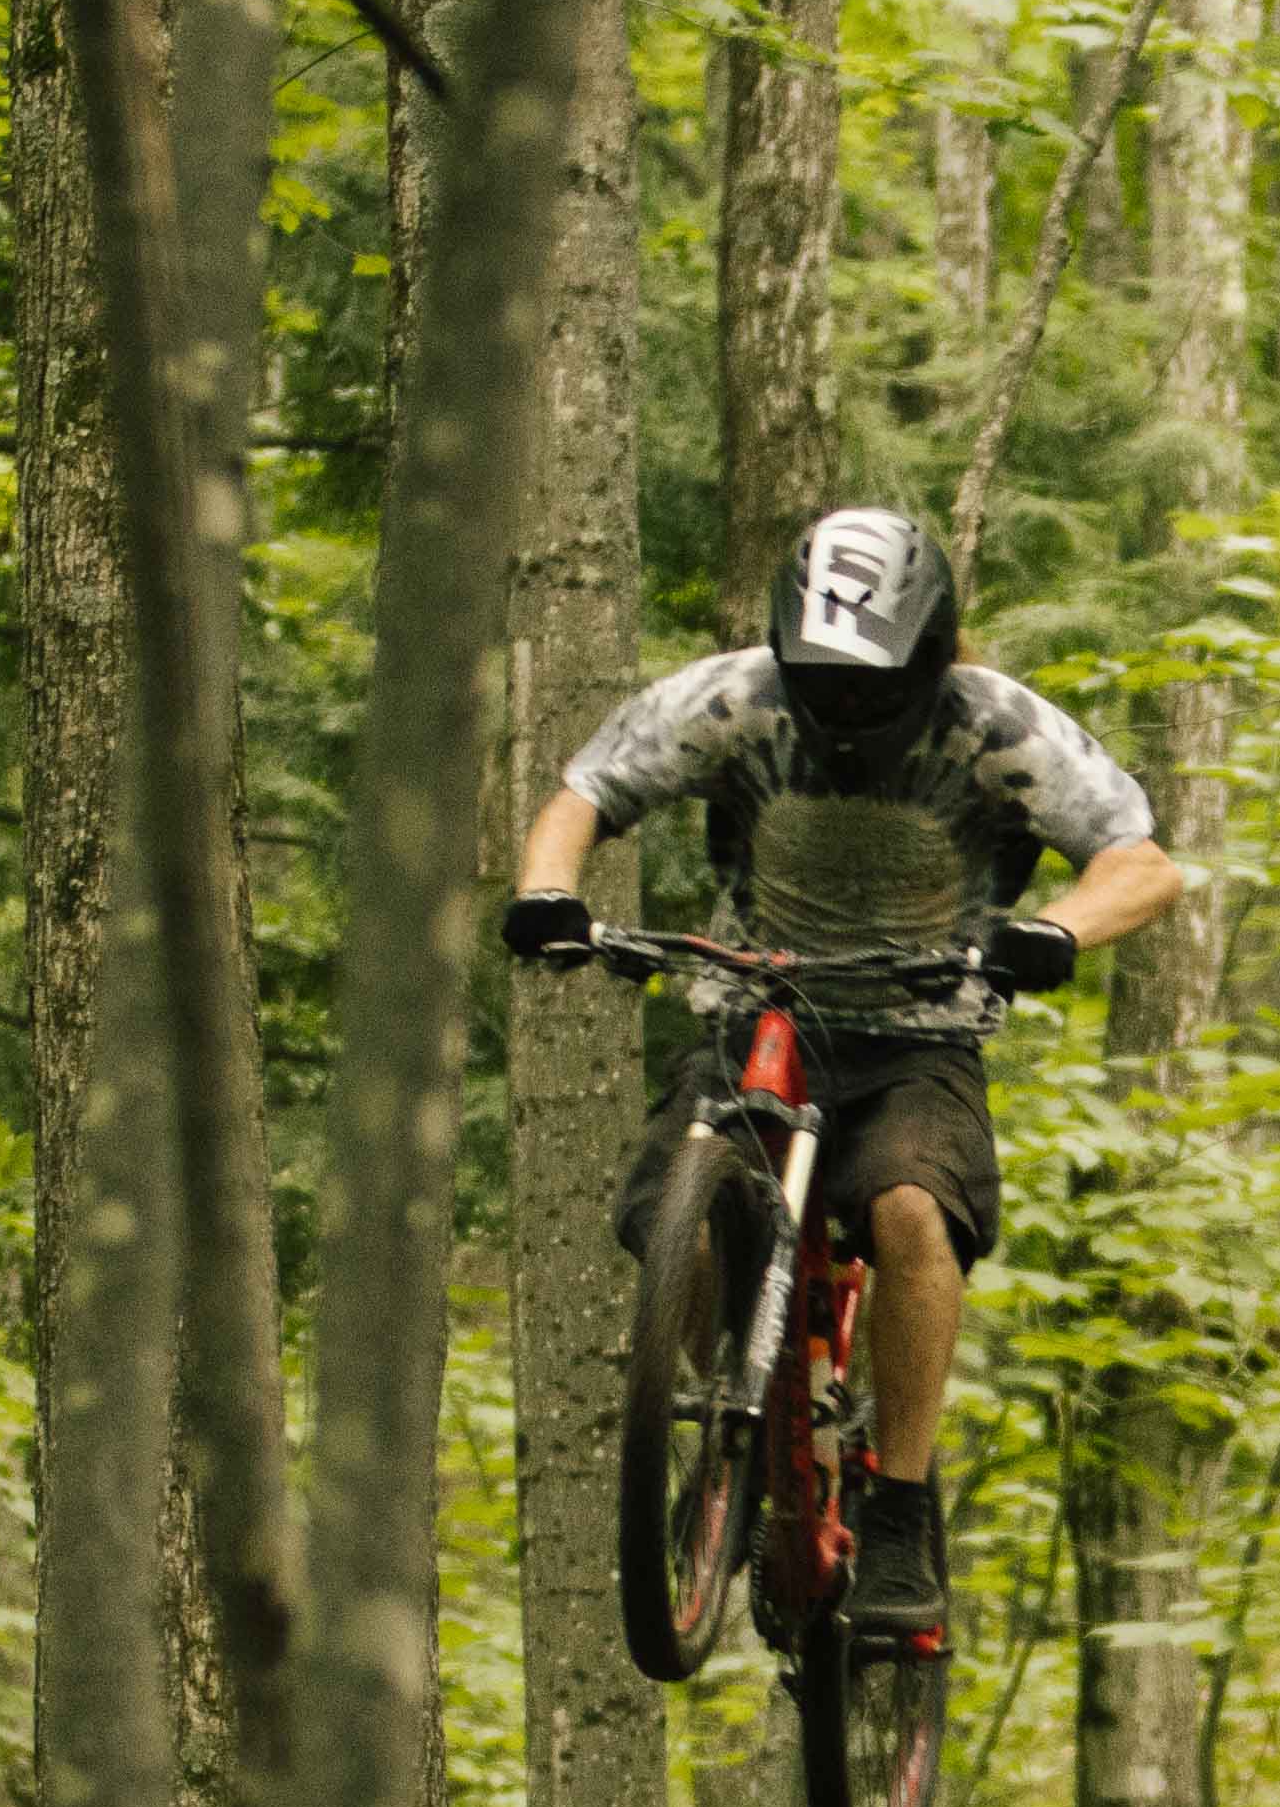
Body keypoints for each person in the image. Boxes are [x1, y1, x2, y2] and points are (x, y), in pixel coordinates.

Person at [498, 507, 1181, 1644]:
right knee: (683, 1215)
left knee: (915, 1211)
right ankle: (730, 1435)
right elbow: (589, 790)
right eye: (826, 683)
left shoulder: (998, 726)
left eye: (874, 685)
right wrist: (547, 892)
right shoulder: (735, 699)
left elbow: (1141, 863)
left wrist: (1058, 930)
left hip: (918, 1037)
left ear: (932, 654)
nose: (849, 708)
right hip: (752, 1014)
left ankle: (901, 1506)